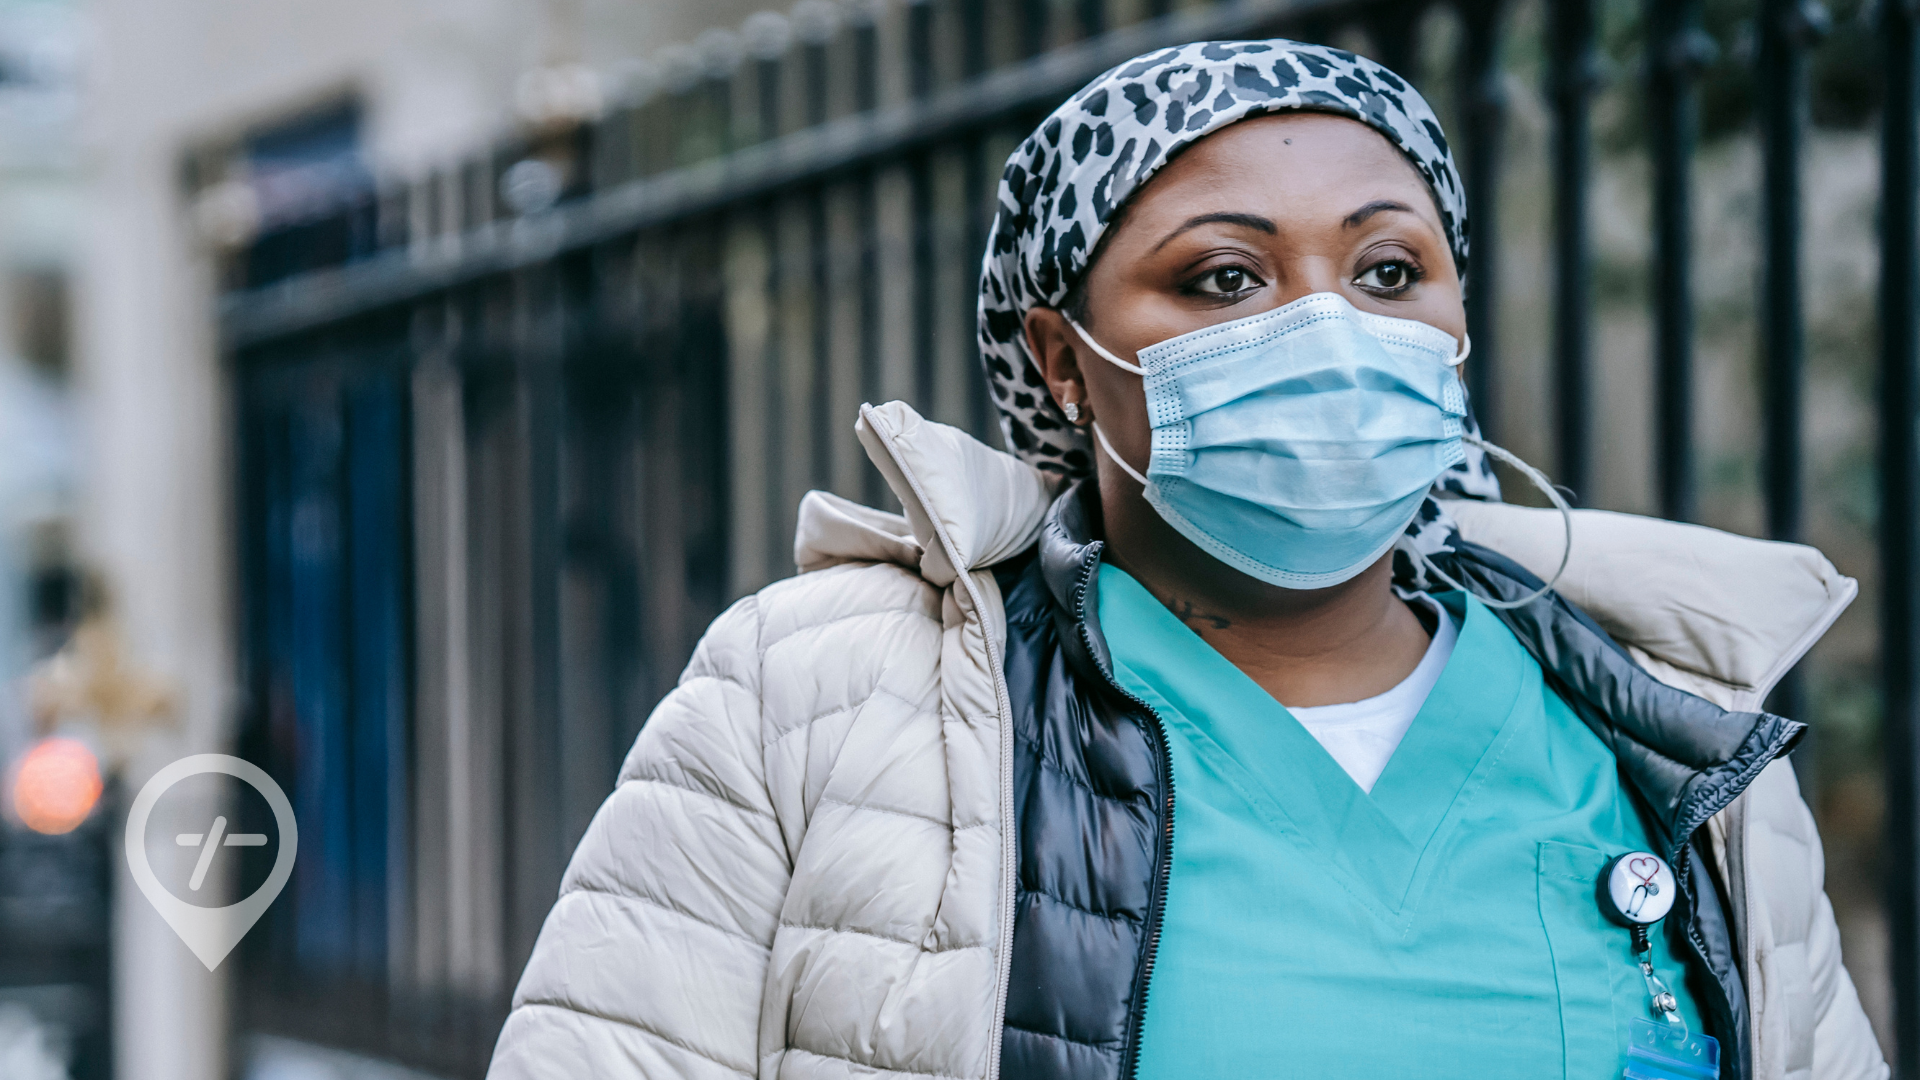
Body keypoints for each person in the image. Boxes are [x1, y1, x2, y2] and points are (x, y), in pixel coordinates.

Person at [488, 40, 1885, 1080]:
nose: (1330, 331)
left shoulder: (1673, 740)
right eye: (1225, 278)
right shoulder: (818, 701)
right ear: (1065, 363)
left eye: (1389, 272)